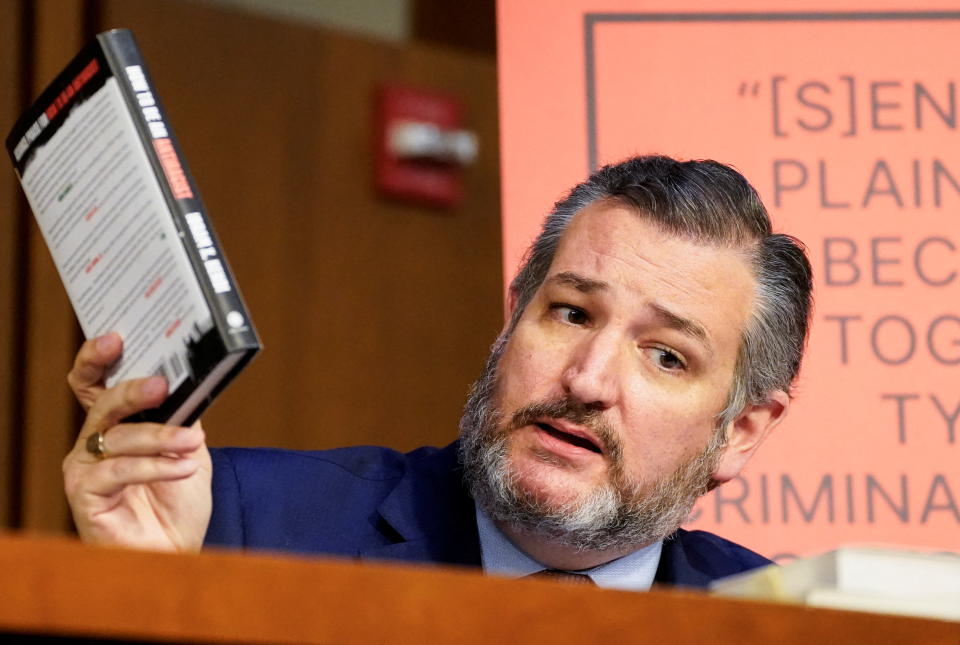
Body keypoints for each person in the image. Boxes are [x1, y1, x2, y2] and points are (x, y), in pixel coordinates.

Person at [62, 155, 812, 590]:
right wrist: (144, 591)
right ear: (513, 319)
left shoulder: (781, 621)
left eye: (666, 356)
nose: (586, 379)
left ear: (739, 431)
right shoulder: (239, 524)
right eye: (572, 313)